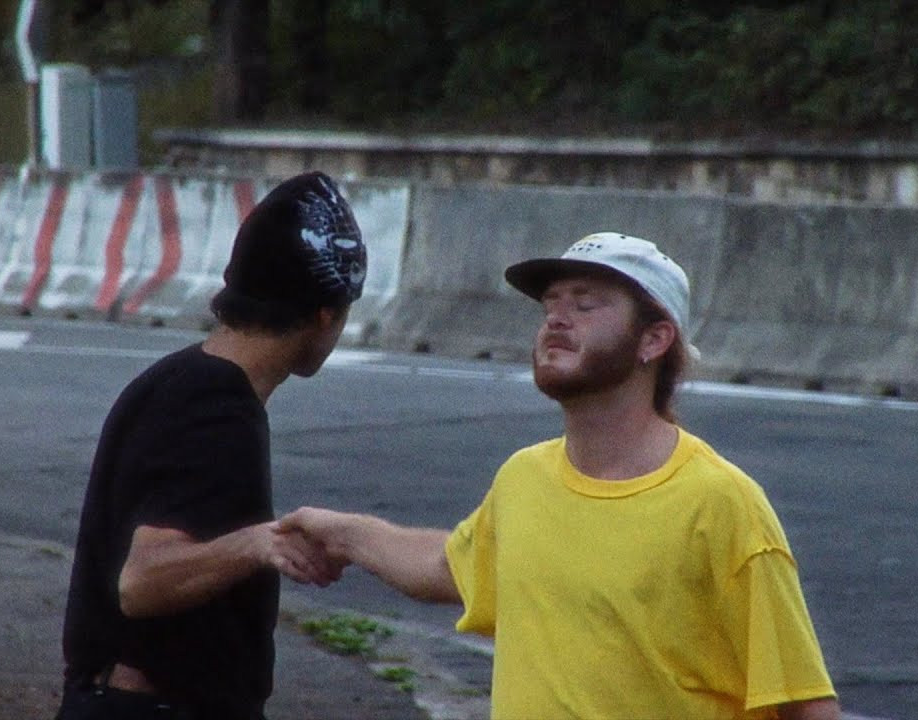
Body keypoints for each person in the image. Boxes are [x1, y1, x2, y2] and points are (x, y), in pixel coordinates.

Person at [278, 233, 841, 719]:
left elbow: (807, 705)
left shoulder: (721, 502)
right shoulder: (525, 477)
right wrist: (342, 533)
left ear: (654, 340)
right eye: (550, 304)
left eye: (586, 304)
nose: (556, 319)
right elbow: (448, 566)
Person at [56, 172, 366, 720]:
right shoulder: (213, 407)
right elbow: (142, 582)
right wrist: (258, 544)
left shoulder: (182, 381)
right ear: (325, 314)